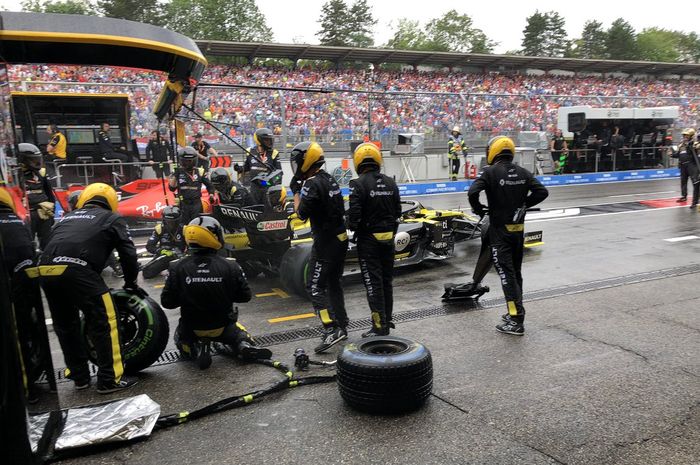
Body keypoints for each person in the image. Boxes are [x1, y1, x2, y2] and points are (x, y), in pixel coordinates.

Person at [38, 183, 140, 393]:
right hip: (78, 270)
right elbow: (128, 253)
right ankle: (108, 380)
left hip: (47, 270)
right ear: (111, 202)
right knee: (105, 320)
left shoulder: (66, 217)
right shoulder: (112, 218)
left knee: (66, 325)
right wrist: (131, 283)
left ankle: (79, 377)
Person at [161, 215, 272, 368]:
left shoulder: (176, 267)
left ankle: (195, 349)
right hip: (222, 327)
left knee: (181, 338)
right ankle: (243, 346)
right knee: (240, 333)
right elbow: (245, 296)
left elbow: (167, 302)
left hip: (191, 327)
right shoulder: (231, 266)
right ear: (214, 237)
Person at [468, 136, 548, 336]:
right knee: (515, 274)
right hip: (517, 232)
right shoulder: (523, 172)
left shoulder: (490, 172)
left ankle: (515, 319)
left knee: (506, 275)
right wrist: (524, 205)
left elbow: (472, 192)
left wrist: (479, 209)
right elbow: (542, 192)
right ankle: (515, 311)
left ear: (493, 152)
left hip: (499, 233)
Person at [290, 141, 348, 353]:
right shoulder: (329, 178)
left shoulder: (311, 184)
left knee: (314, 287)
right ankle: (342, 324)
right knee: (334, 283)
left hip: (325, 243)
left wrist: (295, 192)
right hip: (340, 240)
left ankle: (330, 328)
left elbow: (301, 214)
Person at [348, 143, 401, 337]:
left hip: (368, 242)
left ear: (358, 162)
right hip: (388, 240)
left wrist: (355, 226)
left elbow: (353, 219)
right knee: (386, 282)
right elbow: (398, 213)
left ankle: (379, 326)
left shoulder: (357, 184)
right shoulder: (391, 182)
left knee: (373, 284)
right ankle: (387, 319)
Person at [0, 187, 46, 399]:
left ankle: (25, 390)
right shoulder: (19, 222)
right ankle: (27, 385)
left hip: (11, 287)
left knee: (17, 337)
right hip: (24, 287)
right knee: (23, 333)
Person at [18, 143, 55, 250]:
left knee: (47, 243)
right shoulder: (14, 176)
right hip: (26, 215)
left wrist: (51, 214)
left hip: (44, 213)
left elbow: (50, 195)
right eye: (33, 160)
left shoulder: (41, 173)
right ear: (22, 160)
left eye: (37, 159)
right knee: (27, 244)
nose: (37, 162)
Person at [169, 146, 213, 225]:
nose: (188, 163)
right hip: (183, 204)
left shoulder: (200, 171)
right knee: (183, 226)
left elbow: (210, 185)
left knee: (197, 225)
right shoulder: (177, 171)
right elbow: (171, 188)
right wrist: (176, 175)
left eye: (190, 161)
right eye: (186, 161)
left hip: (196, 204)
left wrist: (212, 194)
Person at [142, 206, 185, 279]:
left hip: (180, 257)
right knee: (147, 272)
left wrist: (185, 254)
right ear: (164, 220)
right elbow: (149, 246)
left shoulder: (184, 229)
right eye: (168, 221)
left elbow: (192, 246)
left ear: (178, 220)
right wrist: (161, 251)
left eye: (173, 222)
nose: (170, 224)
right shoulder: (159, 229)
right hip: (164, 256)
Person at [671, 128, 699, 208]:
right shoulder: (681, 145)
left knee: (695, 183)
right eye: (684, 135)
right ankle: (684, 196)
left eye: (686, 135)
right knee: (683, 181)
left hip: (692, 165)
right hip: (683, 166)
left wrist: (690, 145)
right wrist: (672, 154)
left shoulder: (695, 144)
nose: (685, 136)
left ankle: (695, 201)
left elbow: (696, 153)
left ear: (691, 136)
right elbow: (678, 155)